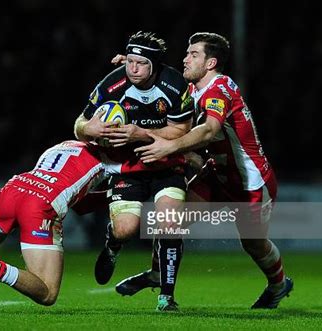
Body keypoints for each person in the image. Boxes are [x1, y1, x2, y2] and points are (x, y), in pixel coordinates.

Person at [115, 32, 293, 309]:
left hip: (251, 183)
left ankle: (279, 285)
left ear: (210, 63)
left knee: (254, 245)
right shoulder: (195, 88)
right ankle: (158, 273)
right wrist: (133, 62)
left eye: (192, 54)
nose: (185, 58)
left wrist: (169, 148)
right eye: (187, 52)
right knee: (172, 220)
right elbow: (164, 78)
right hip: (217, 175)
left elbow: (209, 130)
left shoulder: (218, 89)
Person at [0, 140, 190, 310]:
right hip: (40, 203)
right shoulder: (108, 160)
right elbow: (146, 169)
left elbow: (78, 196)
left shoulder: (63, 145)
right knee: (47, 293)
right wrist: (184, 156)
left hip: (14, 187)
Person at [74, 31, 193, 311]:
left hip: (167, 163)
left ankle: (167, 296)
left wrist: (140, 134)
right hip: (127, 167)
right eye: (129, 61)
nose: (133, 68)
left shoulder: (174, 84)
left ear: (154, 66)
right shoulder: (112, 84)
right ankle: (113, 245)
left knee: (170, 223)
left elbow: (182, 129)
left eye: (141, 63)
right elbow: (79, 123)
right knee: (126, 229)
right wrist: (87, 128)